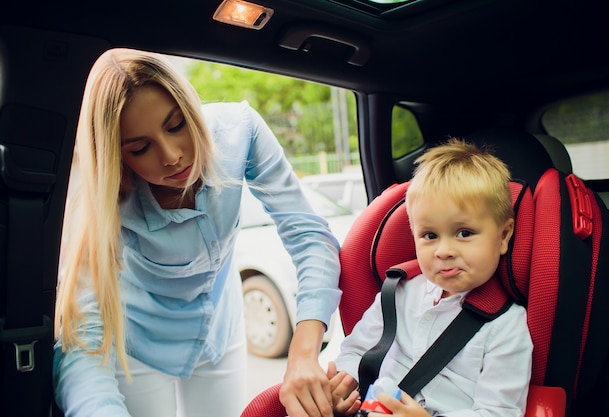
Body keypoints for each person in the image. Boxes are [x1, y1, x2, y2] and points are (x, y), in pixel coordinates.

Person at [53, 48, 342, 417]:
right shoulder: (105, 198)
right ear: (118, 156)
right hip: (139, 344)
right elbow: (84, 338)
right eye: (141, 148)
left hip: (221, 330)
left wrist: (304, 354)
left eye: (176, 126)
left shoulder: (239, 131)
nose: (171, 155)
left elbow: (308, 235)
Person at [326, 139, 533, 417]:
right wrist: (344, 386)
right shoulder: (398, 294)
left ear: (504, 236)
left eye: (464, 233)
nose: (444, 251)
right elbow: (356, 351)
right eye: (430, 236)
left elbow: (499, 413)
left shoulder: (506, 327)